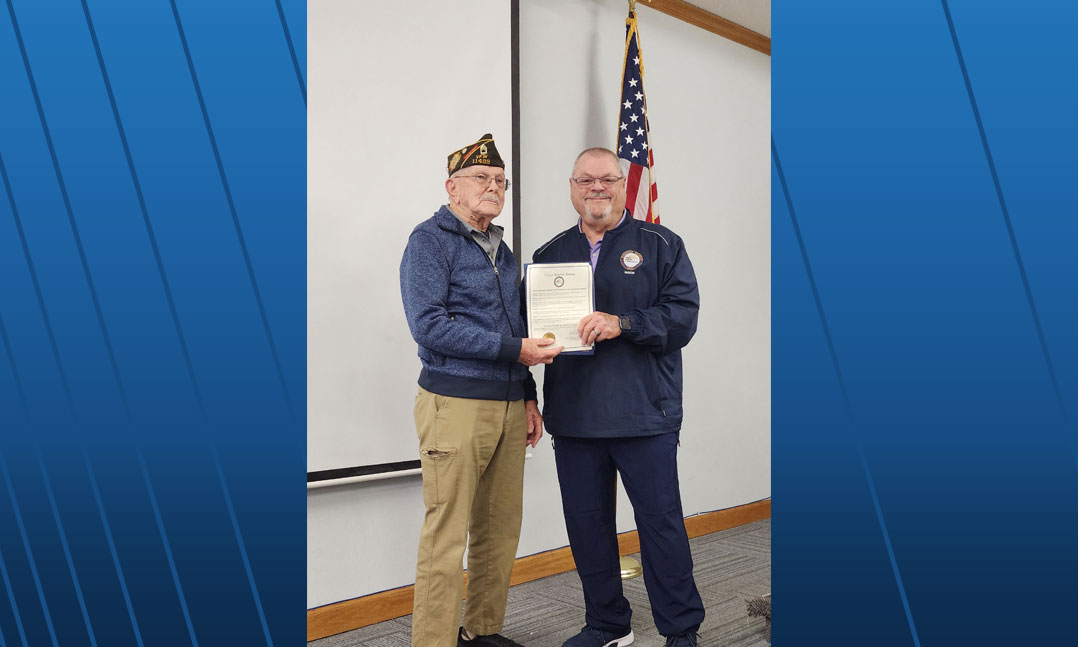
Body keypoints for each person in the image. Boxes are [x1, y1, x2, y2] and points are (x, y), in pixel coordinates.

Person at [530, 148, 704, 647]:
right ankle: (608, 624)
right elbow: (530, 334)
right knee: (587, 529)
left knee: (661, 526)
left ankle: (680, 630)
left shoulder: (660, 244)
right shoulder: (548, 255)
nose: (596, 188)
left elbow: (682, 318)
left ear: (622, 184)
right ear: (571, 187)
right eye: (585, 180)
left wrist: (622, 323)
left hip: (645, 414)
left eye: (606, 179)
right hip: (575, 417)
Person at [400, 133, 562, 647]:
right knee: (445, 537)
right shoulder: (428, 241)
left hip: (510, 405)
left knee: (498, 531)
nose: (493, 187)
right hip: (455, 405)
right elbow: (430, 326)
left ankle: (483, 631)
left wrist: (529, 394)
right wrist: (515, 352)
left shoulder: (504, 250)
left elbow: (518, 325)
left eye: (500, 181)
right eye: (481, 178)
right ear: (452, 187)